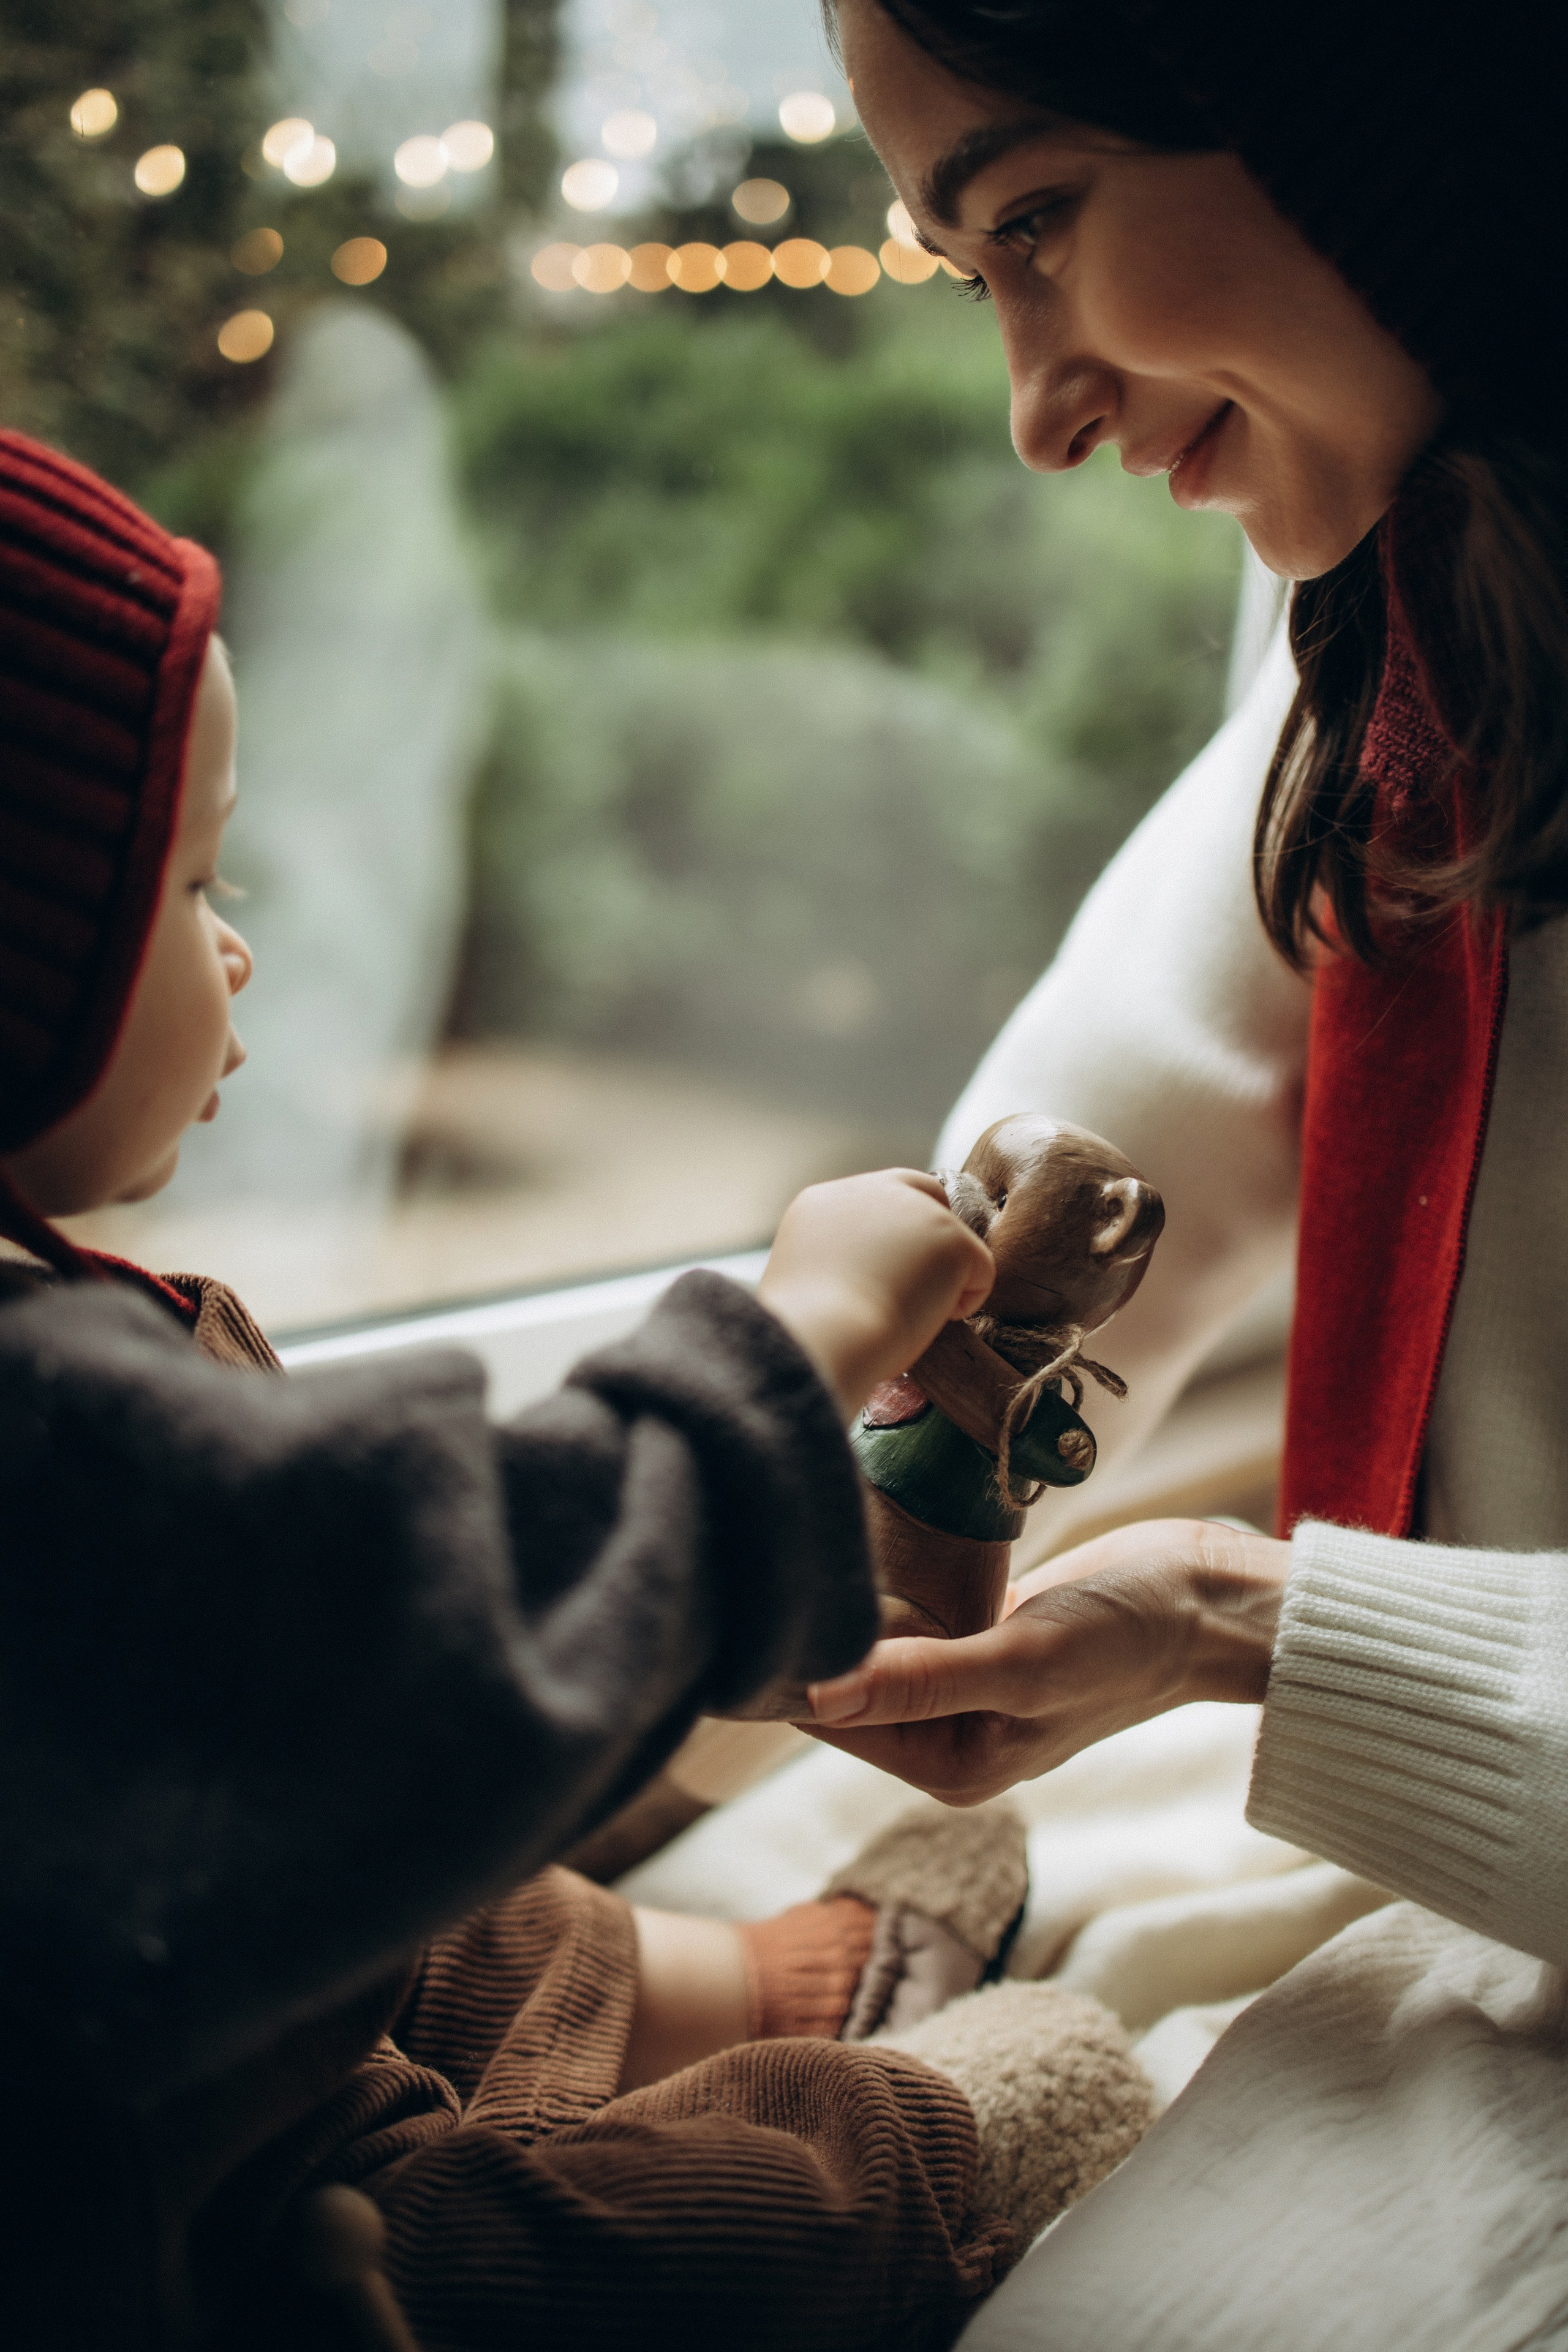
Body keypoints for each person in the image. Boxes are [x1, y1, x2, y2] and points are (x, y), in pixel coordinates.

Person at [0, 429, 1154, 2348]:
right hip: (180, 2226)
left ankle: (723, 1983)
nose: (241, 940)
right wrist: (790, 1338)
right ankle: (942, 2130)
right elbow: (448, 1646)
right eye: (185, 876)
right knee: (745, 2207)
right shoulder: (39, 1435)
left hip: (191, 2006)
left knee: (434, 1896)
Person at [795, 2, 1568, 2344]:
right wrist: (897, 1411)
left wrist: (1258, 1631)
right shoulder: (1416, 639)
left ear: (1379, 105)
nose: (1037, 410)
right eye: (969, 266)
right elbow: (1113, 1125)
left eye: (1038, 220)